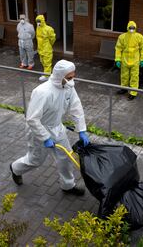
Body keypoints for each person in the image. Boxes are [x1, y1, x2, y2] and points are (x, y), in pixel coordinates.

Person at [9, 59, 90, 196]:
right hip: (38, 130)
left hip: (57, 128)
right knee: (36, 160)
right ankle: (15, 168)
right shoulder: (42, 92)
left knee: (66, 157)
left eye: (73, 76)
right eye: (69, 77)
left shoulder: (68, 87)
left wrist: (81, 129)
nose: (72, 80)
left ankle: (68, 185)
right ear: (60, 75)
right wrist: (45, 137)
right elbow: (32, 118)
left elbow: (76, 107)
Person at [114, 21, 143, 100]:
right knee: (124, 76)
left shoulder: (139, 37)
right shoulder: (122, 37)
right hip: (125, 59)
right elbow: (118, 48)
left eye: (133, 28)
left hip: (135, 60)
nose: (131, 29)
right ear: (127, 28)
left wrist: (142, 59)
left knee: (134, 77)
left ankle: (133, 92)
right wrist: (118, 59)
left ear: (135, 28)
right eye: (130, 28)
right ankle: (124, 88)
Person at [35, 15, 56, 82]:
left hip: (47, 49)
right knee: (43, 62)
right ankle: (46, 73)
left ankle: (47, 76)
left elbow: (52, 39)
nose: (38, 23)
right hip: (40, 49)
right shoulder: (38, 28)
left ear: (43, 21)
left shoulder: (49, 29)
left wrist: (49, 45)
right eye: (37, 21)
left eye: (39, 21)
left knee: (47, 63)